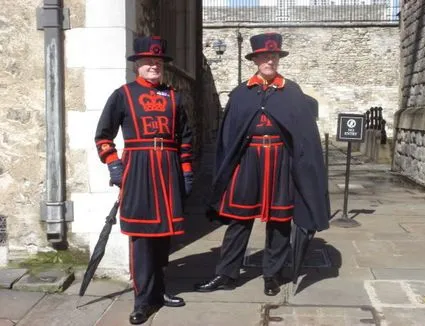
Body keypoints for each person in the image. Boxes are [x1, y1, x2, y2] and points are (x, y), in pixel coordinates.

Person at [194, 32, 330, 296]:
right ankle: (226, 273)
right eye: (265, 56)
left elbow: (304, 136)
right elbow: (228, 135)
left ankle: (272, 273)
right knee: (238, 219)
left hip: (280, 162)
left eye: (274, 56)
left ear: (278, 58)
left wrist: (303, 170)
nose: (270, 60)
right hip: (247, 162)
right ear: (255, 59)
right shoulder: (241, 93)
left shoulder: (292, 92)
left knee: (279, 221)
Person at [95, 36, 193, 325]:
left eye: (159, 62)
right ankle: (142, 300)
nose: (154, 66)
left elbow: (185, 138)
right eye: (149, 62)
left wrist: (186, 171)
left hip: (168, 170)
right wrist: (114, 165)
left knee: (164, 236)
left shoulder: (174, 96)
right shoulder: (123, 95)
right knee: (141, 238)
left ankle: (159, 291)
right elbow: (103, 135)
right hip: (138, 170)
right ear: (137, 65)